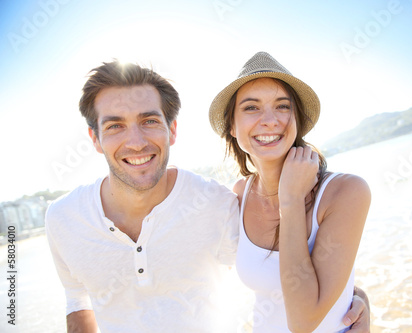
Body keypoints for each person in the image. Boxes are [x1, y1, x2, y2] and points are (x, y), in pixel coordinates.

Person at [45, 60, 369, 332]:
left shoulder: (216, 204)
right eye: (115, 126)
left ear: (172, 130)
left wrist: (348, 296)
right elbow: (77, 298)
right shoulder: (62, 219)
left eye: (149, 121)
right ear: (95, 138)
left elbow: (304, 293)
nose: (136, 141)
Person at [209, 52, 371, 332]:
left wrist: (292, 200)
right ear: (232, 127)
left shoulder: (345, 192)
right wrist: (357, 295)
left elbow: (304, 322)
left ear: (297, 118)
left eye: (282, 106)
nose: (270, 120)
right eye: (251, 108)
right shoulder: (238, 195)